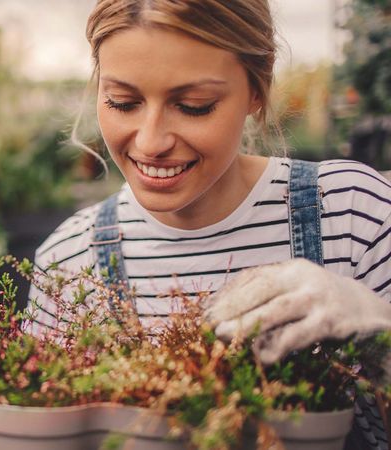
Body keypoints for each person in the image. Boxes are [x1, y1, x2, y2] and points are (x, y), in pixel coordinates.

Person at [26, 1, 391, 447]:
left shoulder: (353, 212)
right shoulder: (68, 260)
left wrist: (380, 331)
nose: (151, 141)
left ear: (256, 90)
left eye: (194, 106)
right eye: (123, 102)